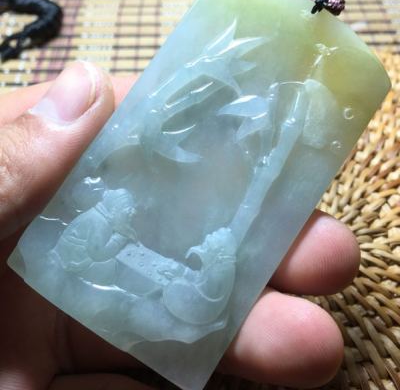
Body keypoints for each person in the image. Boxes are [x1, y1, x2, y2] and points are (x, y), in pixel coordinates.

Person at [0, 62, 360, 390]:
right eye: (126, 208)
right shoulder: (95, 221)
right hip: (82, 277)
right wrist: (118, 251)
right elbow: (84, 255)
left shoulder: (118, 223)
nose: (131, 210)